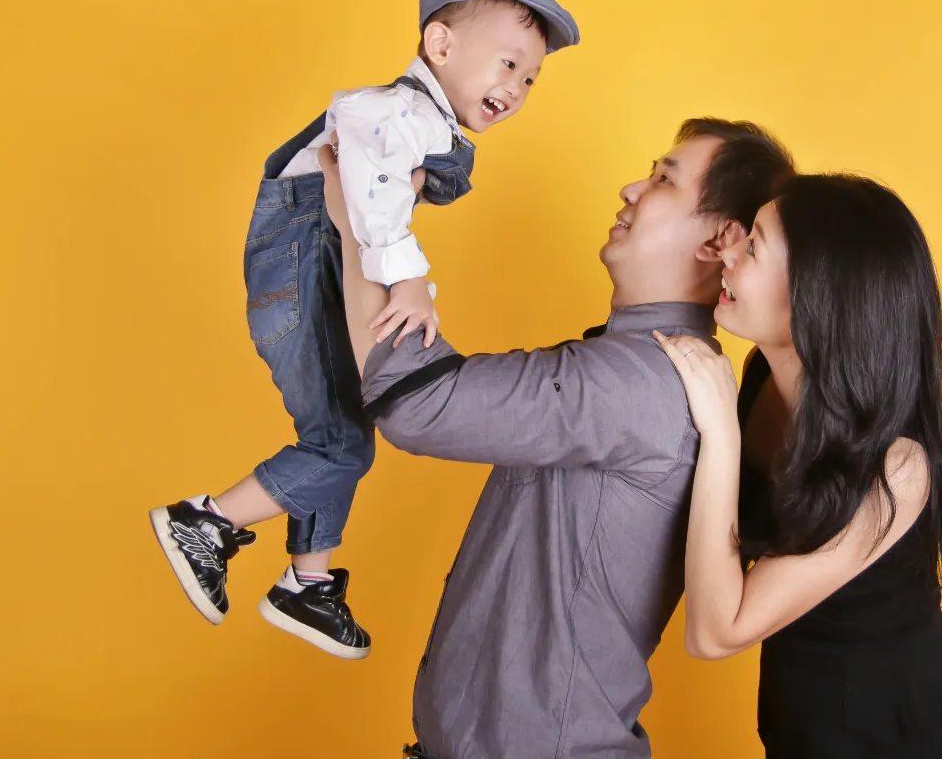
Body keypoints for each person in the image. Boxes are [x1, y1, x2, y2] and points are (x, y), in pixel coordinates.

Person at [318, 118, 795, 757]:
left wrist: (359, 219)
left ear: (719, 240)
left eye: (663, 180)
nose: (631, 190)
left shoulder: (637, 380)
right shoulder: (644, 364)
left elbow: (417, 400)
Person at [148, 0, 580, 658]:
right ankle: (205, 522)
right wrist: (410, 280)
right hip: (298, 271)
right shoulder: (393, 111)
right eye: (508, 63)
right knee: (342, 445)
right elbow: (373, 195)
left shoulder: (420, 123)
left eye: (531, 78)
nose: (518, 87)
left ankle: (307, 581)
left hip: (314, 269)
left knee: (344, 429)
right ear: (440, 44)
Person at [654, 173, 942, 757]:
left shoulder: (897, 469)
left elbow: (716, 633)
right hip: (802, 726)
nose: (729, 252)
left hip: (890, 739)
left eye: (752, 245)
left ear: (816, 295)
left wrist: (721, 432)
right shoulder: (763, 376)